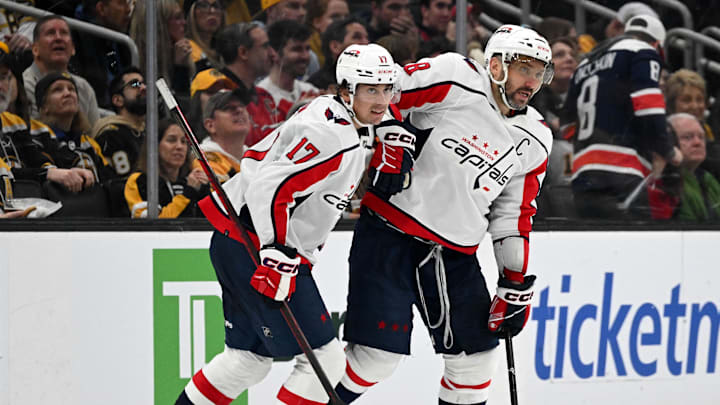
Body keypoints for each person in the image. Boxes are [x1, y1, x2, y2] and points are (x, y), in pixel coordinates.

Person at [175, 43, 412, 405]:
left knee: (247, 361)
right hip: (257, 247)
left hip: (239, 241)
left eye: (386, 89)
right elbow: (271, 188)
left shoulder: (342, 115)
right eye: (371, 90)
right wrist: (276, 253)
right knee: (327, 362)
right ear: (347, 90)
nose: (381, 100)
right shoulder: (331, 134)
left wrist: (391, 129)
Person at [334, 25, 554, 405]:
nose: (532, 81)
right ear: (497, 65)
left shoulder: (536, 138)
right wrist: (389, 135)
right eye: (524, 68)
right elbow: (390, 91)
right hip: (390, 234)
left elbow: (514, 214)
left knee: (475, 362)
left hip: (454, 253)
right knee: (374, 360)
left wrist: (514, 282)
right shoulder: (456, 78)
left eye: (539, 72)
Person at [560, 15, 682, 219]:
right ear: (656, 44)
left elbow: (566, 126)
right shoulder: (643, 51)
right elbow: (649, 108)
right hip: (623, 174)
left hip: (583, 175)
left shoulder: (584, 64)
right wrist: (667, 150)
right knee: (635, 247)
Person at [35, 72, 113, 185]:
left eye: (71, 89)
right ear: (44, 106)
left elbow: (108, 178)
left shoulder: (89, 143)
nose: (67, 93)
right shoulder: (38, 141)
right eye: (57, 90)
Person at [23, 15, 101, 125]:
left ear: (73, 49)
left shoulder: (84, 87)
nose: (58, 38)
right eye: (50, 33)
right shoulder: (24, 84)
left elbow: (94, 135)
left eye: (64, 33)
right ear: (35, 49)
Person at [124, 119, 209, 218]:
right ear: (154, 146)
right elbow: (155, 226)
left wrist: (205, 191)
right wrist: (188, 194)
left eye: (183, 141)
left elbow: (213, 223)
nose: (179, 146)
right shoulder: (140, 181)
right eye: (171, 140)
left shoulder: (191, 181)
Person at [213, 22, 280, 145]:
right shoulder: (216, 97)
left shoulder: (265, 97)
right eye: (265, 46)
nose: (273, 54)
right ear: (243, 52)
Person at [73, 0, 133, 109]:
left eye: (128, 3)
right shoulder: (79, 40)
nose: (128, 10)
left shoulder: (124, 42)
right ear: (101, 8)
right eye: (121, 3)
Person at [258, 20, 320, 122]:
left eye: (307, 49)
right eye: (297, 49)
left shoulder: (310, 90)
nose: (305, 56)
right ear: (274, 53)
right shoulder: (261, 97)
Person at [91, 67, 147, 178]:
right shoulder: (110, 136)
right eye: (135, 84)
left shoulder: (149, 133)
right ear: (118, 100)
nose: (144, 88)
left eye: (144, 83)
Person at [130, 0, 194, 96]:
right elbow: (169, 105)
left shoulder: (180, 52)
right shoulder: (134, 56)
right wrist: (179, 69)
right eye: (177, 18)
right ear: (159, 24)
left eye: (183, 17)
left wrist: (181, 66)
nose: (184, 22)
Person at [195, 89, 252, 182]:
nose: (239, 110)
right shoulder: (204, 162)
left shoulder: (255, 157)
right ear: (210, 125)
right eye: (228, 108)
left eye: (242, 106)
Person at [308, 16, 369, 93]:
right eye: (357, 37)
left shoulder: (373, 78)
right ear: (335, 46)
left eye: (367, 38)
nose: (366, 43)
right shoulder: (315, 86)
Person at [305, 0, 349, 67]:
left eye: (347, 17)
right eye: (335, 17)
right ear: (317, 22)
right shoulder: (306, 52)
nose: (343, 22)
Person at [186, 0, 226, 72]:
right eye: (203, 5)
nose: (212, 11)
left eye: (216, 5)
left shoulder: (228, 48)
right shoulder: (186, 51)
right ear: (192, 13)